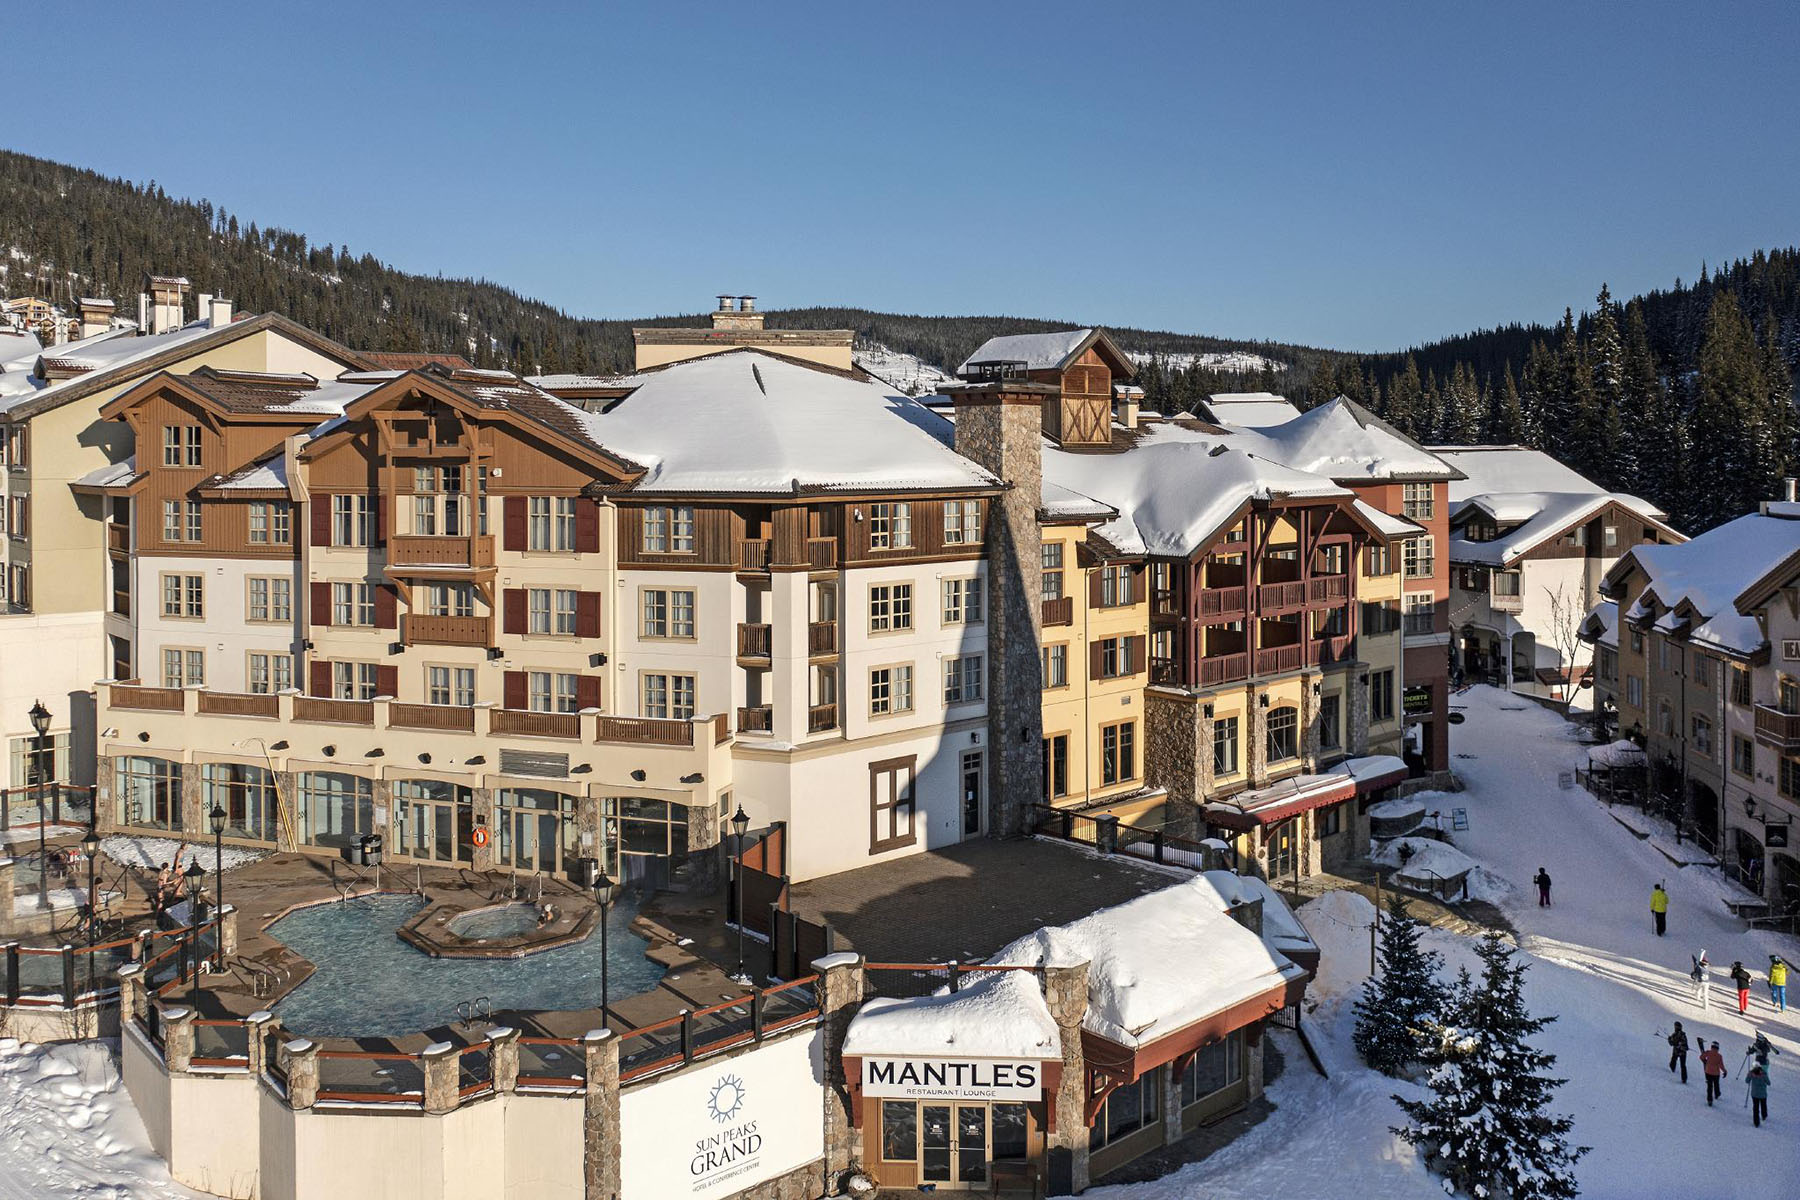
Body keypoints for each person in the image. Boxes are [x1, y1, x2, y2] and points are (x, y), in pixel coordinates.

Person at [1700, 1040, 1727, 1107]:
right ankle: (1717, 1094)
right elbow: (1721, 1065)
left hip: (1708, 1072)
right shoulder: (1719, 1056)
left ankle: (1709, 1100)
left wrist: (1705, 1061)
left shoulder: (1708, 1052)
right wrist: (1725, 1071)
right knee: (1716, 1084)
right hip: (1716, 1073)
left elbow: (1701, 1057)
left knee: (1709, 1086)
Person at [1748, 1063, 1769, 1128]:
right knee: (1763, 1104)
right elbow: (1768, 1083)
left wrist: (1749, 1075)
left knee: (1755, 1108)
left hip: (1754, 1094)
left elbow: (1747, 1081)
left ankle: (1756, 1122)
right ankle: (1764, 1115)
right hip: (1763, 1094)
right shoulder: (1764, 1074)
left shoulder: (1751, 1074)